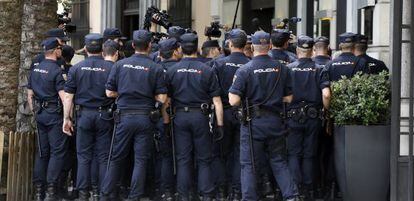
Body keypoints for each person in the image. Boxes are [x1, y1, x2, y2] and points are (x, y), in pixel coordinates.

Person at [228, 31, 300, 201]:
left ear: (252, 47)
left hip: (253, 123)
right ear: (269, 46)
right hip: (276, 120)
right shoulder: (282, 67)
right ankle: (292, 197)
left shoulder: (245, 70)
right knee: (279, 162)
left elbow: (233, 100)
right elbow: (289, 98)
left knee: (249, 164)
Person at [100, 29, 168, 201]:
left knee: (116, 157)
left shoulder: (119, 65)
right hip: (145, 117)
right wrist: (146, 94)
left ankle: (105, 194)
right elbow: (162, 97)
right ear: (150, 46)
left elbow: (109, 92)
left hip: (124, 117)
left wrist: (124, 94)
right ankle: (135, 196)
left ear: (132, 45)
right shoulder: (156, 68)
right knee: (141, 159)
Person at [165, 33, 224, 201]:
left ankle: (184, 195)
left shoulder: (172, 71)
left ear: (180, 49)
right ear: (197, 48)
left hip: (179, 117)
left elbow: (166, 102)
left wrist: (166, 123)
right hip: (201, 116)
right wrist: (220, 125)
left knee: (183, 159)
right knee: (204, 159)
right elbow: (217, 101)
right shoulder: (207, 70)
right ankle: (206, 194)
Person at [62, 33, 115, 201]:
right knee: (103, 156)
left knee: (83, 156)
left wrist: (66, 118)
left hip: (84, 114)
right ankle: (101, 192)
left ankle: (83, 193)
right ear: (102, 49)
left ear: (85, 49)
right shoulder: (111, 68)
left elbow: (68, 96)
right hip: (104, 115)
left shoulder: (76, 69)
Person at [286, 35, 331, 201]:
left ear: (297, 51)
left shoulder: (289, 68)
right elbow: (326, 94)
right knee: (310, 155)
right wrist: (326, 112)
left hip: (292, 117)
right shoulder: (320, 69)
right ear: (312, 51)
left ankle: (295, 190)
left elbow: (284, 96)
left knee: (293, 154)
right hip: (313, 117)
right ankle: (309, 190)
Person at [210, 28, 250, 201]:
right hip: (244, 113)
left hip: (223, 113)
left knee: (221, 153)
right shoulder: (251, 64)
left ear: (229, 44)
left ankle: (222, 190)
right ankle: (236, 190)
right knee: (239, 154)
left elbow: (212, 92)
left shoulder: (218, 64)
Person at [27, 37, 68, 201]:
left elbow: (30, 94)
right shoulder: (57, 71)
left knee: (42, 152)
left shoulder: (36, 69)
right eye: (60, 48)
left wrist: (35, 112)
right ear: (56, 50)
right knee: (57, 152)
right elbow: (64, 97)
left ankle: (38, 191)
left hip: (40, 115)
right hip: (54, 114)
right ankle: (51, 191)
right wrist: (67, 118)